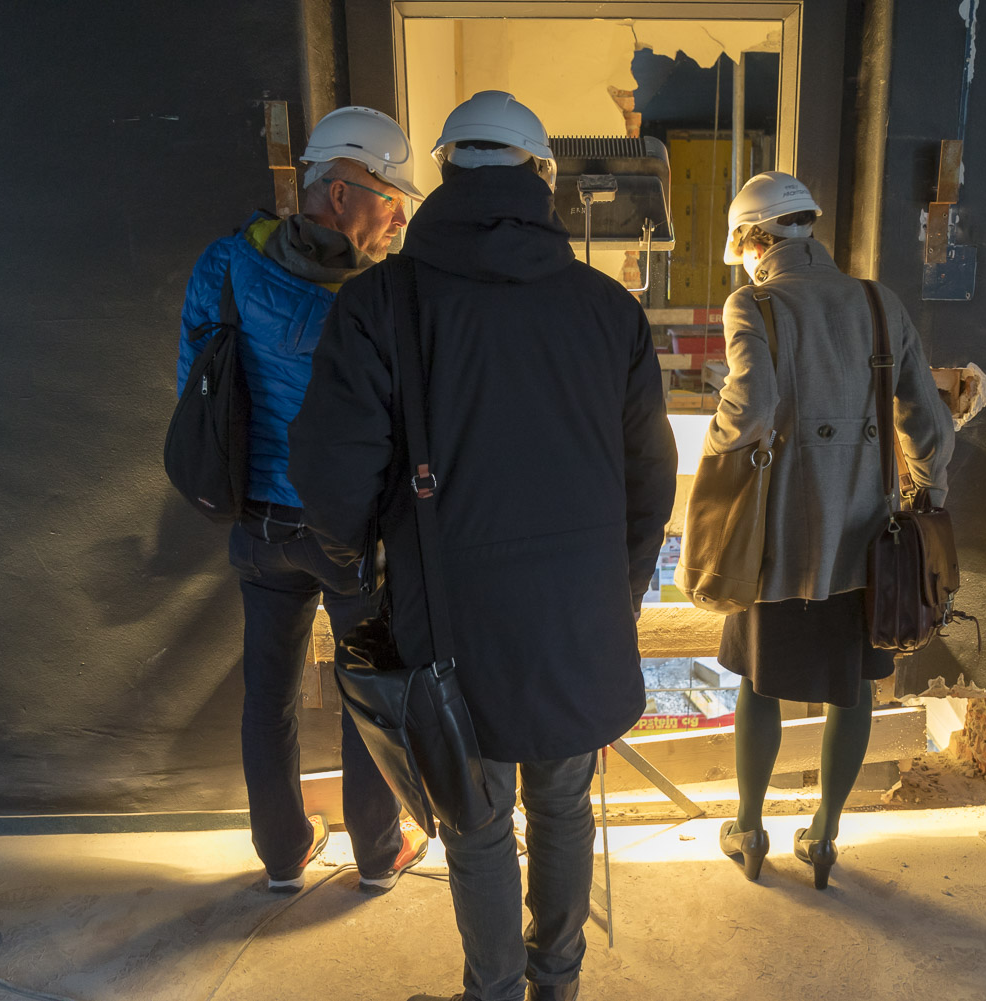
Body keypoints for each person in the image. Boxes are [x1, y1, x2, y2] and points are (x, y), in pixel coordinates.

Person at [288, 90, 677, 1001]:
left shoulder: (381, 303)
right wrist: (616, 593)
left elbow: (335, 474)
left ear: (443, 173)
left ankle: (494, 991)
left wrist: (357, 575)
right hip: (578, 613)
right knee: (564, 801)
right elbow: (649, 481)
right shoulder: (608, 309)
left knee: (477, 819)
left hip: (449, 612)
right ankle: (559, 983)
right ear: (542, 177)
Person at [177, 106, 430, 895]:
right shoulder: (378, 294)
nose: (398, 219)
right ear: (342, 191)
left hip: (257, 525)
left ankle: (283, 855)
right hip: (350, 530)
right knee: (368, 691)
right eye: (391, 199)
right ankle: (377, 852)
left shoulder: (223, 265)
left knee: (269, 694)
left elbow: (194, 383)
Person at [707, 171, 954, 889]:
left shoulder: (752, 303)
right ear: (807, 228)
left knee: (759, 684)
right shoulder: (879, 303)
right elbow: (928, 421)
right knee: (855, 688)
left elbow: (749, 407)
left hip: (778, 538)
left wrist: (716, 456)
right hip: (866, 540)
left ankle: (749, 828)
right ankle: (823, 836)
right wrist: (930, 491)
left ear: (752, 241)